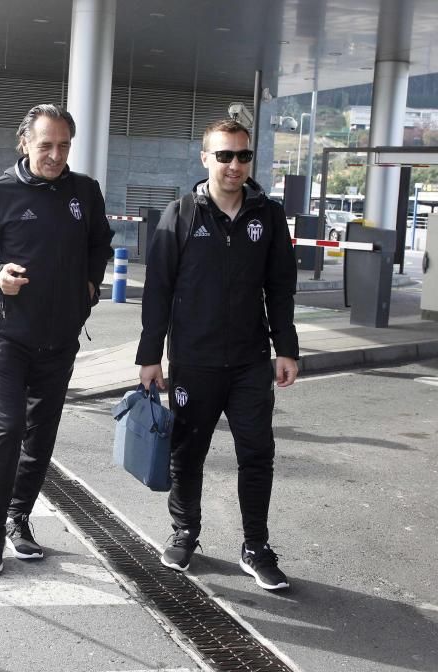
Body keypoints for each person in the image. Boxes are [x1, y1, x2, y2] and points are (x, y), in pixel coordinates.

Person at [136, 118, 299, 591]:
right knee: (188, 454)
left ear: (251, 160)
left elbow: (280, 288)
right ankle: (185, 533)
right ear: (204, 157)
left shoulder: (268, 215)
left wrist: (285, 348)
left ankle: (255, 547)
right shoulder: (181, 214)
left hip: (250, 361)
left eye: (242, 156)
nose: (233, 165)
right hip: (194, 360)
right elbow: (158, 293)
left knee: (257, 454)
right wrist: (151, 356)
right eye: (224, 155)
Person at [0, 103, 114, 574]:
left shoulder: (84, 191)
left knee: (41, 434)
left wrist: (89, 286)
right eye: (45, 144)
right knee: (6, 429)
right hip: (7, 335)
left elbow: (99, 243)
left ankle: (19, 516)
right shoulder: (0, 191)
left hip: (61, 337)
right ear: (24, 143)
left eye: (64, 145)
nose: (55, 154)